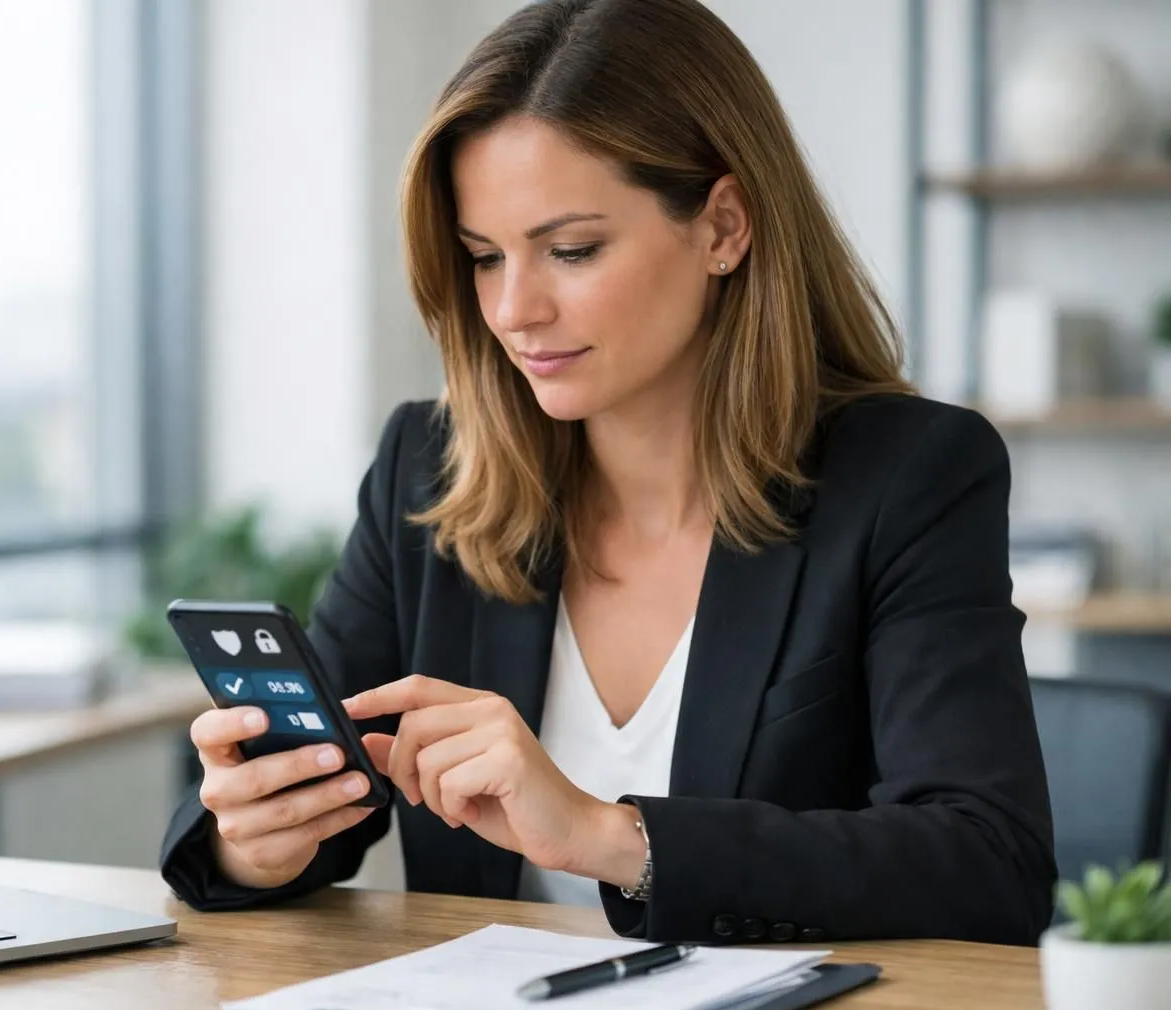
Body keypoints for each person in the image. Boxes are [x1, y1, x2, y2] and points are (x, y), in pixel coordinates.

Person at [159, 0, 1056, 945]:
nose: (513, 310)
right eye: (483, 257)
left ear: (723, 227)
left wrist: (610, 836)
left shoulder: (910, 477)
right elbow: (281, 806)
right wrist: (255, 841)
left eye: (572, 250)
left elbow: (987, 864)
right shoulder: (427, 473)